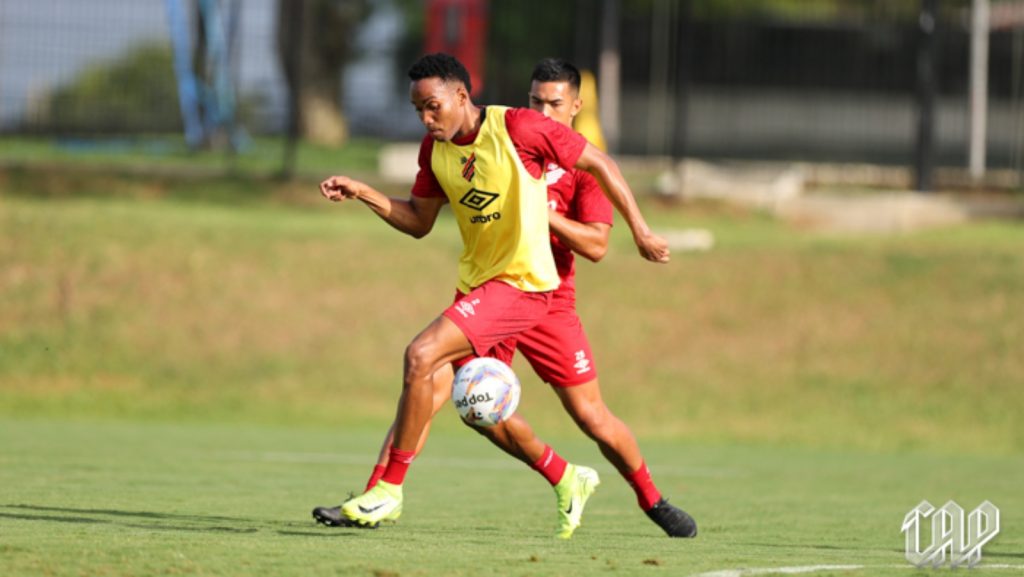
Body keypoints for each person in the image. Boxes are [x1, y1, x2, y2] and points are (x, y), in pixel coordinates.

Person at [316, 53, 673, 536]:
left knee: (427, 357)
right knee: (466, 402)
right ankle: (563, 476)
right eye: (418, 109)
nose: (425, 118)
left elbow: (599, 193)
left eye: (433, 106)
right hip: (483, 289)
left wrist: (642, 231)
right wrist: (365, 192)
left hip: (531, 288)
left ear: (462, 96)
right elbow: (419, 222)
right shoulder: (435, 149)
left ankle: (652, 500)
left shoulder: (522, 130)